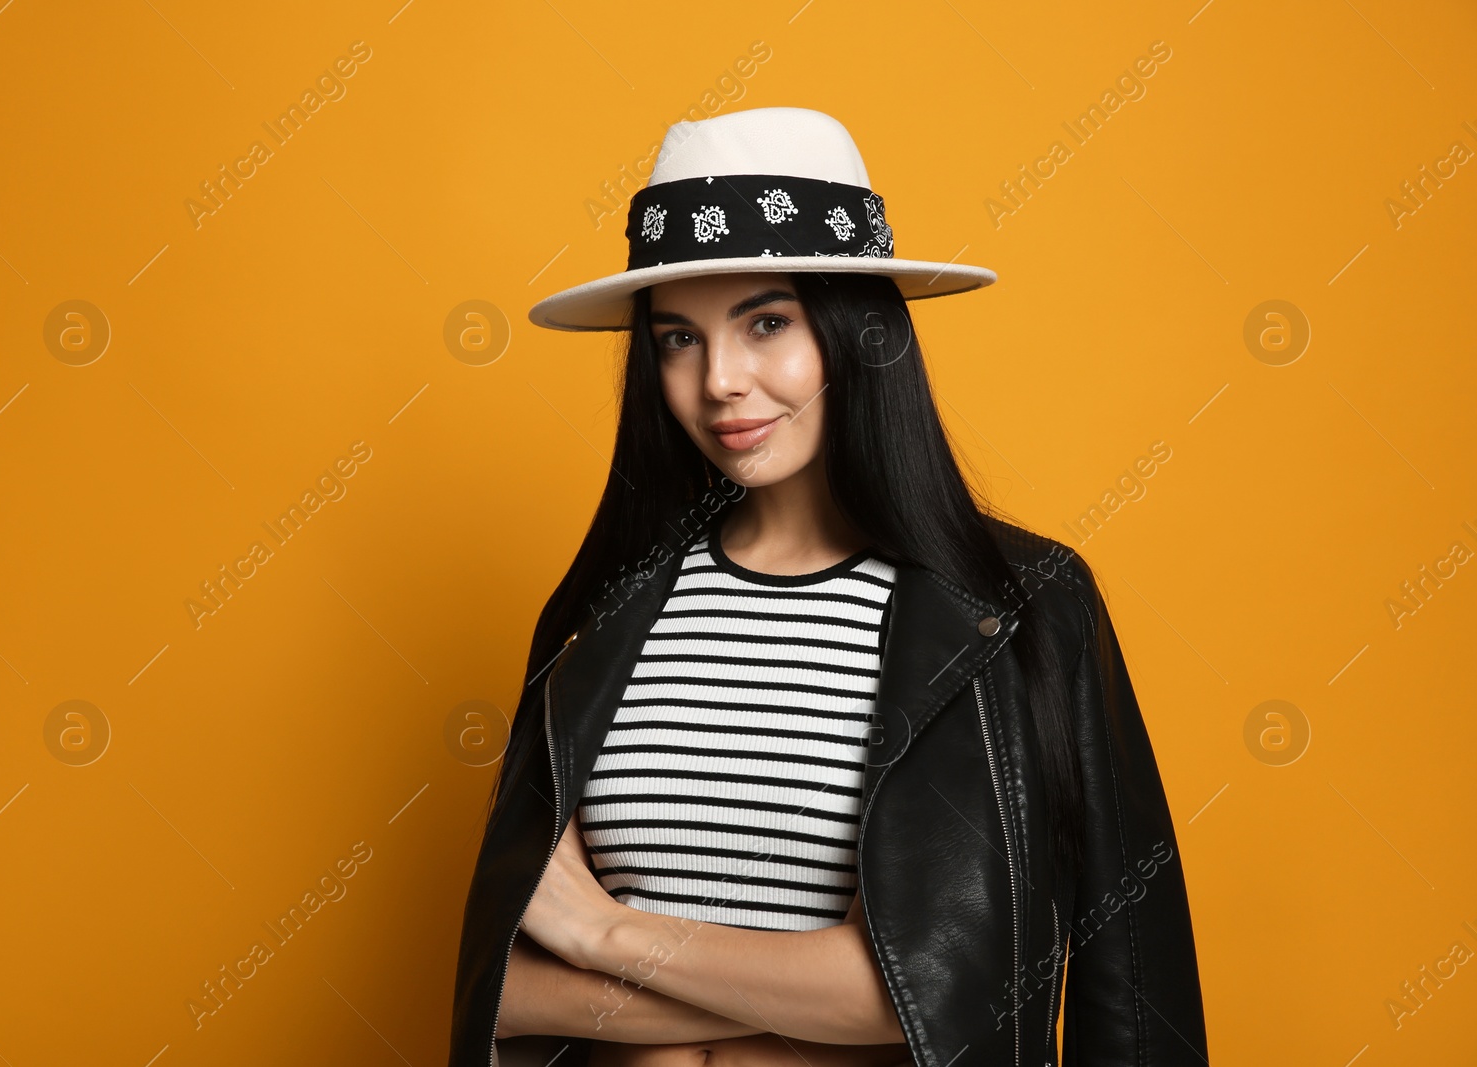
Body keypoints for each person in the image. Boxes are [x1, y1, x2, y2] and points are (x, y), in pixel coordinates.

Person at [448, 106, 1208, 1067]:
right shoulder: (600, 616)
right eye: (678, 338)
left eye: (766, 322)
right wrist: (825, 993)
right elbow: (505, 994)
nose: (719, 379)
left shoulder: (1023, 608)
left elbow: (1040, 986)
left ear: (859, 335)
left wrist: (609, 937)